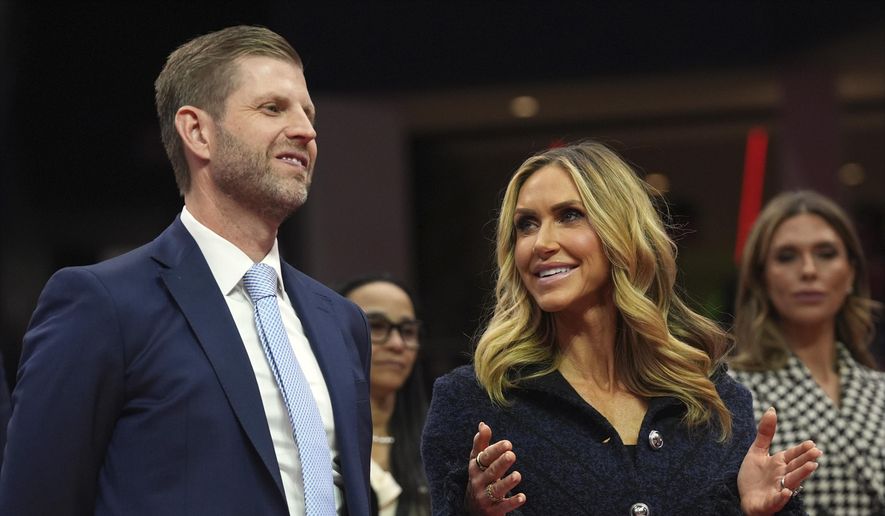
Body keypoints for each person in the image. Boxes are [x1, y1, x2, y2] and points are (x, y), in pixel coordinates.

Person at [0, 25, 372, 515]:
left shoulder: (341, 321)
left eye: (308, 112)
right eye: (272, 108)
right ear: (198, 131)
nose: (306, 130)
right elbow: (36, 501)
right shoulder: (102, 304)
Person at [421, 141, 822, 515]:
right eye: (526, 224)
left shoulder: (713, 400)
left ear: (623, 233)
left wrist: (759, 510)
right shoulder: (471, 401)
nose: (541, 242)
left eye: (569, 216)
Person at [729, 190, 885, 515]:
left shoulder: (880, 390)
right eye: (787, 256)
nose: (809, 270)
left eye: (826, 253)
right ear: (762, 278)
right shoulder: (731, 393)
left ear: (851, 273)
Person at [339, 274, 431, 516]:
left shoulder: (436, 438)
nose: (397, 344)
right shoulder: (316, 436)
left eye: (408, 331)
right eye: (376, 326)